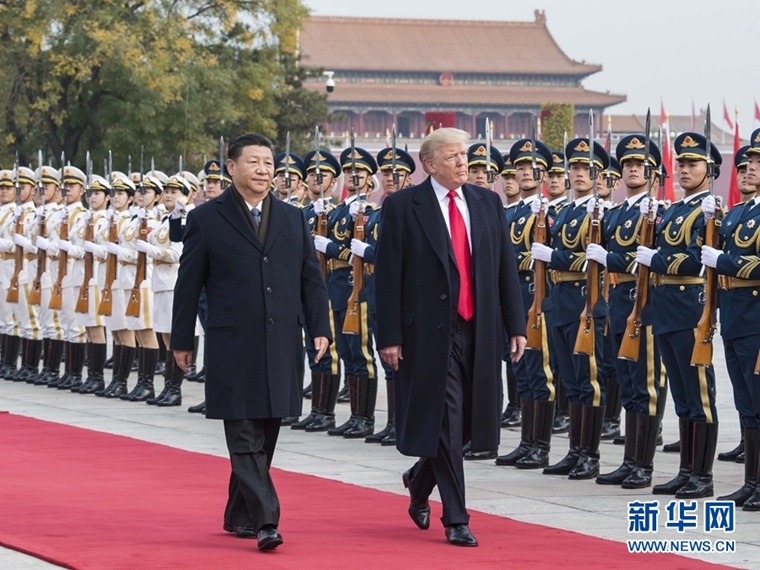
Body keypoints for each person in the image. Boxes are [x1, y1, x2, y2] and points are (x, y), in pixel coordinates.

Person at [171, 133, 331, 552]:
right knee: (243, 431)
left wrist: (320, 326)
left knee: (267, 427)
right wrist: (182, 339)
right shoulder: (206, 218)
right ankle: (265, 520)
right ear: (232, 166)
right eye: (254, 162)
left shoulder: (292, 217)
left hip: (281, 339)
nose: (263, 170)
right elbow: (188, 284)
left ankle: (238, 513)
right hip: (233, 341)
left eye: (268, 163)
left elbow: (310, 278)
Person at [374, 127, 526, 547]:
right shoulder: (403, 206)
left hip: (479, 327)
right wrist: (389, 336)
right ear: (429, 164)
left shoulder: (487, 202)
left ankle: (420, 478)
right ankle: (456, 517)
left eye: (466, 156)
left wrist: (516, 324)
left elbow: (504, 266)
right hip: (427, 332)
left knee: (473, 420)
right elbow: (387, 276)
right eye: (454, 156)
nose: (464, 163)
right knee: (446, 418)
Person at [636, 132, 720, 499]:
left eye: (693, 164)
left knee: (699, 394)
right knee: (683, 396)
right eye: (681, 163)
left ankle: (703, 475)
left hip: (689, 309)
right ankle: (686, 471)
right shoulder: (673, 210)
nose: (685, 169)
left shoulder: (707, 211)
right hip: (666, 308)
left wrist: (655, 259)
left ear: (709, 169)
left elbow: (696, 259)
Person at [532, 137, 609, 480]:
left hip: (584, 301)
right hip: (561, 302)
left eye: (586, 168)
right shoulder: (564, 212)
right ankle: (575, 451)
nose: (578, 174)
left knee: (589, 379)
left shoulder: (600, 212)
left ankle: (590, 455)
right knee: (572, 381)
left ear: (598, 175)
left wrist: (555, 257)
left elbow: (594, 260)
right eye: (574, 167)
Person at [589, 134, 664, 489]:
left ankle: (643, 466)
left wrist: (611, 259)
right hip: (618, 304)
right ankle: (629, 461)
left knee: (644, 386)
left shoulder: (657, 212)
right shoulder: (616, 213)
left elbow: (648, 257)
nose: (633, 169)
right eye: (628, 164)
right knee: (629, 386)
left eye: (640, 165)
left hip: (643, 304)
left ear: (652, 172)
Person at [703, 129, 760, 509]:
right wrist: (709, 221)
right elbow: (707, 247)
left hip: (756, 318)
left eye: (757, 163)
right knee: (746, 404)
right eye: (747, 163)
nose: (749, 168)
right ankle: (751, 481)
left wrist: (723, 261)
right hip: (735, 318)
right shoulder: (739, 212)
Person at [495, 137, 556, 470]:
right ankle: (526, 442)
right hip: (514, 299)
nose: (525, 173)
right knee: (522, 370)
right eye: (519, 167)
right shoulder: (513, 212)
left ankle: (540, 447)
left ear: (543, 173)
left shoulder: (550, 211)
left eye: (532, 167)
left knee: (538, 371)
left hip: (537, 298)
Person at [356, 146, 416, 446]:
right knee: (387, 362)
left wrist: (367, 251)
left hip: (404, 295)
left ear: (409, 177)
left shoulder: (412, 209)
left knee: (404, 363)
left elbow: (399, 254)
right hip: (377, 291)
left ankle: (405, 423)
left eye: (397, 173)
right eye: (387, 174)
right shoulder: (380, 212)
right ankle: (393, 422)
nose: (390, 178)